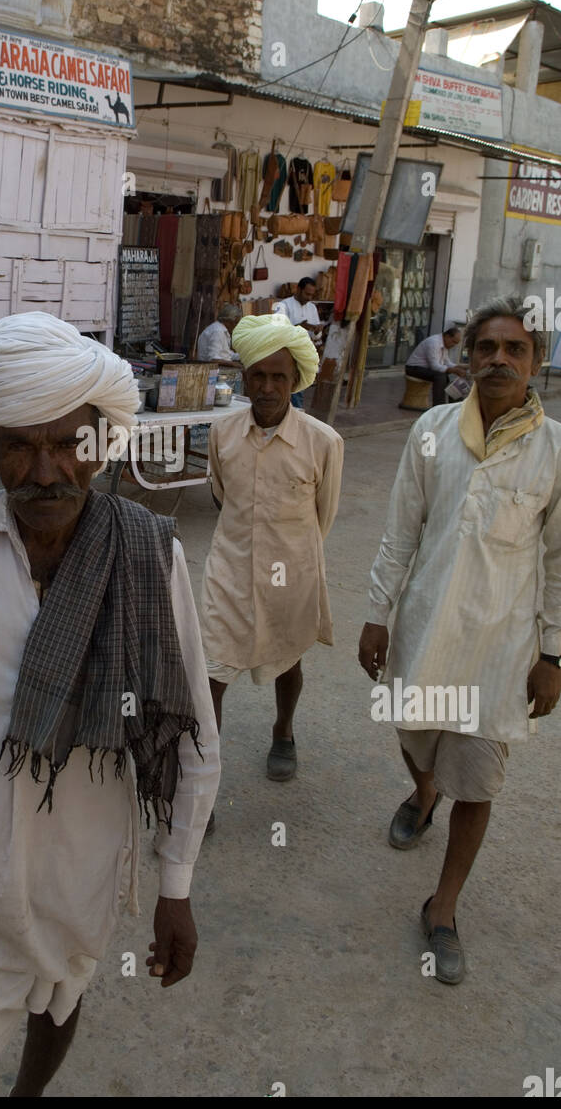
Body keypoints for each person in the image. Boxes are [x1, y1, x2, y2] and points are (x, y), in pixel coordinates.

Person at [0, 312, 220, 1097]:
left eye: (69, 443)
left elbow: (191, 733)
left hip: (81, 867)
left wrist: (176, 887)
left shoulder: (147, 552)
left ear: (102, 445)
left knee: (59, 998)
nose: (45, 471)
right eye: (19, 446)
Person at [358, 297, 561, 985]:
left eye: (515, 349)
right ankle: (422, 793)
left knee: (475, 779)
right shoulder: (432, 432)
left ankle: (441, 907)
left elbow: (559, 560)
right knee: (412, 736)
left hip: (500, 649)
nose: (499, 359)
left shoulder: (554, 449)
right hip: (422, 630)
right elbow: (401, 531)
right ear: (464, 357)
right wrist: (377, 612)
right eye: (486, 348)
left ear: (535, 362)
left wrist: (553, 656)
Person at [200, 312, 343, 816]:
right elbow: (222, 494)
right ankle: (204, 780)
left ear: (294, 380)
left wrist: (289, 556)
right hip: (230, 568)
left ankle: (283, 731)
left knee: (288, 657)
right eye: (257, 375)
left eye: (278, 377)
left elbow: (324, 514)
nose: (266, 387)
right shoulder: (223, 434)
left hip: (291, 572)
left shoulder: (323, 441)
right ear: (243, 377)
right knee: (212, 672)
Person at [274, 277, 324, 408]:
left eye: (311, 295)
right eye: (307, 294)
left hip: (304, 353)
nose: (309, 297)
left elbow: (316, 336)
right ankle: (294, 414)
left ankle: (295, 414)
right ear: (298, 289)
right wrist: (297, 327)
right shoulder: (283, 305)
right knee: (292, 388)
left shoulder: (312, 307)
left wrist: (317, 330)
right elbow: (276, 330)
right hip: (288, 353)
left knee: (300, 386)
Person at [405, 325, 467, 407]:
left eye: (456, 343)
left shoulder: (444, 345)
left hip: (426, 368)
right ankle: (438, 406)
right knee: (440, 376)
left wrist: (460, 367)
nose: (453, 345)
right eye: (453, 342)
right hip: (413, 368)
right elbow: (434, 366)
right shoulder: (434, 343)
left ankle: (456, 404)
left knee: (447, 377)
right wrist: (454, 370)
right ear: (447, 336)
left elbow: (447, 362)